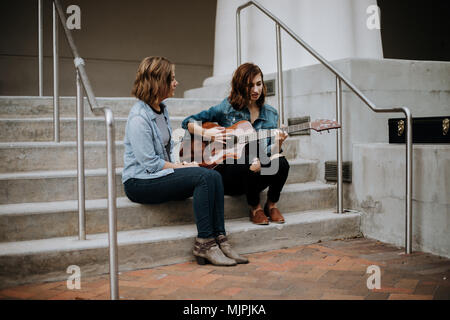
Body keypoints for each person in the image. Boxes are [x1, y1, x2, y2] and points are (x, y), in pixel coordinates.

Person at [122, 56, 248, 266]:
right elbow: (151, 164)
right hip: (140, 181)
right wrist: (182, 167)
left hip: (161, 173)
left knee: (214, 175)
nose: (176, 82)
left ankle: (220, 239)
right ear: (158, 82)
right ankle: (204, 244)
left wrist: (181, 164)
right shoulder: (138, 118)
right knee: (203, 177)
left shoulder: (161, 109)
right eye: (171, 78)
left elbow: (170, 147)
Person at [181, 63, 290, 226]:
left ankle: (271, 204)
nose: (255, 90)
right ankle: (254, 208)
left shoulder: (271, 114)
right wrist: (207, 133)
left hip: (258, 171)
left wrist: (277, 142)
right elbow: (188, 121)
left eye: (259, 84)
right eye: (250, 85)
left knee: (282, 163)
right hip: (232, 175)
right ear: (240, 86)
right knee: (248, 161)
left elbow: (270, 154)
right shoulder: (227, 108)